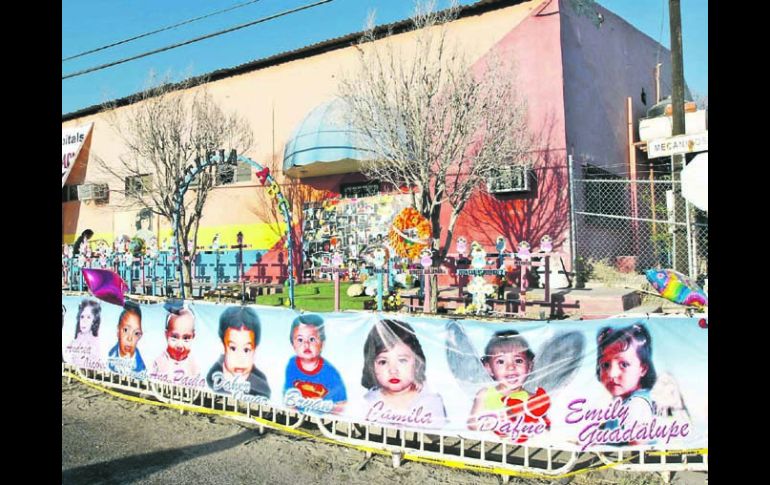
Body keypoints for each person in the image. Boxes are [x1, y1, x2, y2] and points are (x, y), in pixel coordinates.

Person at [361, 319, 446, 429]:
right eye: (383, 362)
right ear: (371, 365)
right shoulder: (368, 401)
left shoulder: (431, 401)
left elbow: (436, 432)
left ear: (417, 362)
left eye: (402, 360)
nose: (393, 370)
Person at [467, 330, 549, 443]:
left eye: (518, 360)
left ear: (529, 366)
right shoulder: (484, 394)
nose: (511, 367)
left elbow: (544, 428)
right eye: (501, 361)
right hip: (491, 447)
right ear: (489, 368)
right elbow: (472, 424)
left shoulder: (533, 399)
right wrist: (493, 428)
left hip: (521, 450)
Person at [596, 323, 658, 445]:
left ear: (643, 369)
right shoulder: (626, 402)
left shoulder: (636, 404)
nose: (612, 374)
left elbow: (637, 448)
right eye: (605, 365)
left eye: (624, 364)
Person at [283, 314, 346, 415]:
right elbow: (288, 396)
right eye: (300, 340)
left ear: (322, 344)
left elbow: (342, 403)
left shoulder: (329, 372)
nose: (306, 344)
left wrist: (329, 411)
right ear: (292, 344)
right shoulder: (292, 365)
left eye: (312, 339)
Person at [206, 306, 270, 398]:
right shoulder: (212, 377)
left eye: (246, 350)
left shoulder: (261, 386)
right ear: (222, 346)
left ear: (255, 350)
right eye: (233, 348)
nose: (240, 359)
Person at [151, 307, 202, 386]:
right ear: (166, 335)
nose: (180, 345)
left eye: (186, 338)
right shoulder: (159, 362)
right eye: (174, 337)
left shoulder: (193, 364)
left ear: (193, 336)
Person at [107, 301, 146, 375]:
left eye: (136, 333)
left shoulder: (141, 366)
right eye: (126, 330)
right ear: (118, 331)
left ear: (140, 336)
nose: (129, 338)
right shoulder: (108, 355)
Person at [65, 299, 103, 369]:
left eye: (88, 317)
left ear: (93, 321)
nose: (84, 321)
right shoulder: (73, 342)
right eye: (82, 317)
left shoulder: (95, 343)